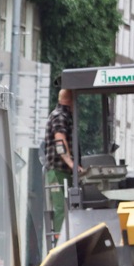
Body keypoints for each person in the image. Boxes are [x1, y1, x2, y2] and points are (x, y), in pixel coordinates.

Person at [45, 88, 76, 234]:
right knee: (62, 209)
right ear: (71, 100)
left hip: (59, 171)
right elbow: (60, 141)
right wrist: (71, 163)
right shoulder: (61, 116)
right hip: (58, 171)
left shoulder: (59, 115)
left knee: (63, 208)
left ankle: (62, 238)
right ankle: (61, 240)